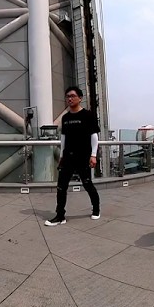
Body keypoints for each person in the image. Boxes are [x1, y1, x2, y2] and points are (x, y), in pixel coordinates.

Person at [45, 86, 101, 226]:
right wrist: (62, 155)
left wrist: (93, 155)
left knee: (88, 184)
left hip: (83, 156)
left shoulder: (88, 115)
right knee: (61, 186)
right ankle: (60, 216)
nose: (69, 99)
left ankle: (96, 209)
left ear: (80, 98)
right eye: (67, 96)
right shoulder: (65, 118)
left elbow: (94, 136)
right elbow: (63, 137)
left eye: (72, 96)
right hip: (68, 157)